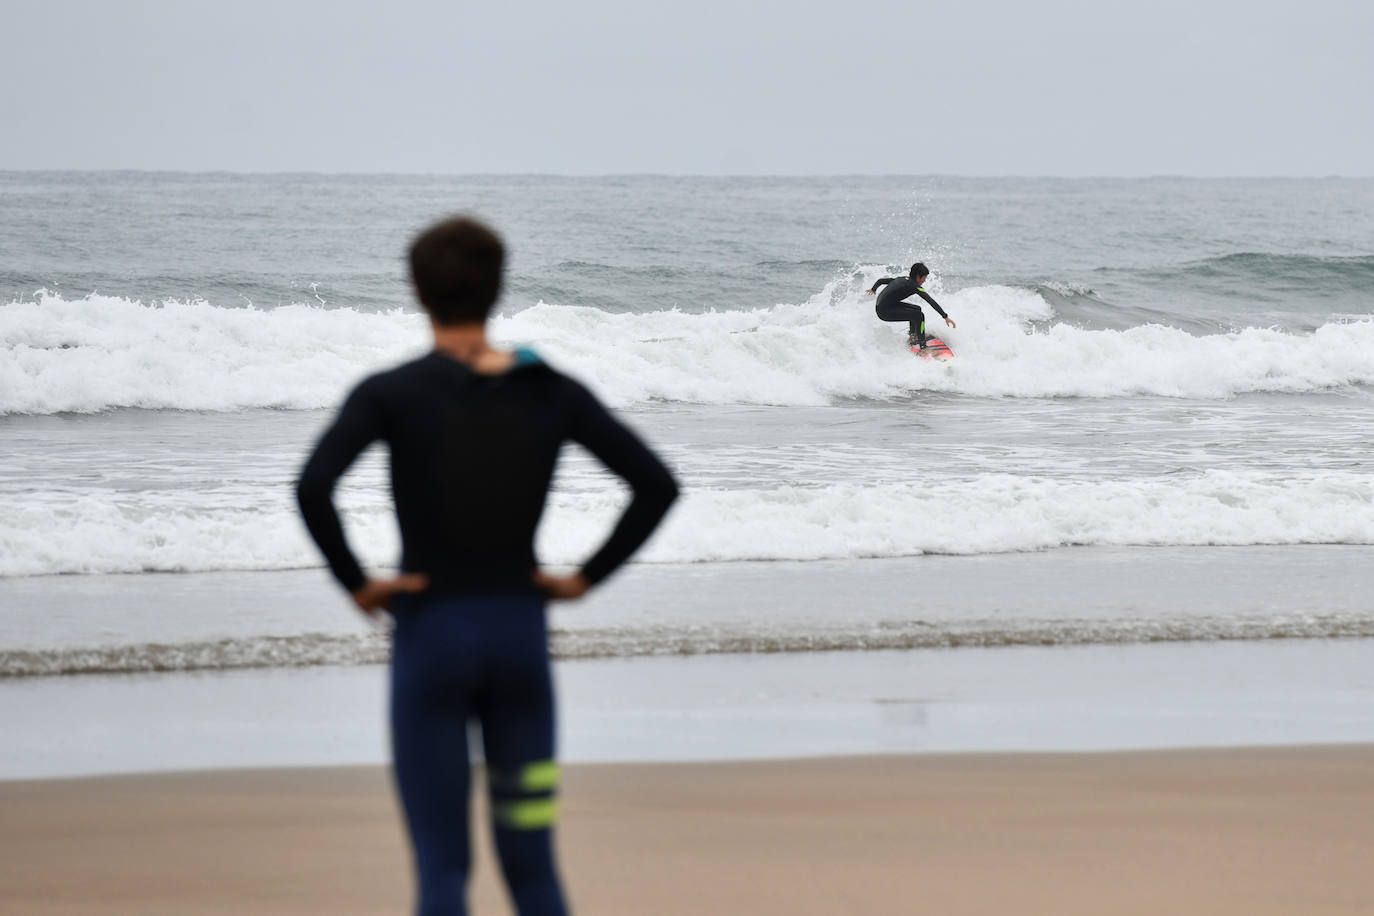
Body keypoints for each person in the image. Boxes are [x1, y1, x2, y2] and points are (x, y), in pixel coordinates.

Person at [296, 216, 679, 916]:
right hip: (518, 645)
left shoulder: (391, 392)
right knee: (532, 870)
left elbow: (312, 486)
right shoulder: (551, 391)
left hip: (431, 639)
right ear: (499, 289)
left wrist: (359, 586)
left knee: (442, 869)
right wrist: (581, 578)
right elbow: (656, 485)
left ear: (417, 291)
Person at [865, 262, 956, 348]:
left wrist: (873, 289)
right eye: (924, 277)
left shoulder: (902, 278)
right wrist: (945, 317)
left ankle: (913, 336)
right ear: (918, 276)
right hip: (884, 312)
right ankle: (923, 347)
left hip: (883, 306)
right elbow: (931, 301)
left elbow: (880, 281)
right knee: (919, 315)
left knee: (917, 309)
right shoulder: (915, 286)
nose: (924, 280)